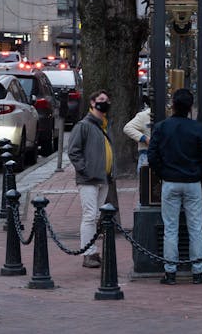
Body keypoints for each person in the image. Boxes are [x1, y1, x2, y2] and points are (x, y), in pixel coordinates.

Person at [147, 88, 202, 285]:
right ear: (190, 107)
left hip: (170, 181)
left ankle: (170, 272)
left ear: (173, 105)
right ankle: (197, 272)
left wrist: (163, 172)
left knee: (170, 228)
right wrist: (199, 173)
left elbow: (152, 155)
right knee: (195, 228)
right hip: (192, 182)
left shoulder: (161, 127)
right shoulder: (198, 128)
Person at [67, 89, 115, 269]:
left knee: (95, 216)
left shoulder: (104, 125)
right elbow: (73, 151)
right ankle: (88, 253)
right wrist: (85, 170)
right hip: (89, 179)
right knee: (89, 216)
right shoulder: (84, 126)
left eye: (107, 99)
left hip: (103, 178)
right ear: (93, 103)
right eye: (102, 99)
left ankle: (92, 250)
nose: (106, 102)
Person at [123, 95, 151, 174]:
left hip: (163, 156)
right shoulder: (143, 116)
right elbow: (128, 128)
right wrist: (144, 138)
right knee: (145, 183)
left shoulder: (167, 115)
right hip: (146, 154)